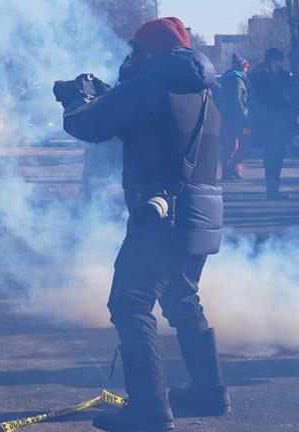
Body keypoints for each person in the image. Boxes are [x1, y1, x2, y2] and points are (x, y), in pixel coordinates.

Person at [55, 17, 229, 431]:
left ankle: (149, 409)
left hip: (162, 216)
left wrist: (74, 99)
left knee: (130, 304)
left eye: (134, 51)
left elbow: (90, 125)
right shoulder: (204, 92)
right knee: (183, 303)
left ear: (150, 51)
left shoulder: (150, 84)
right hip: (201, 216)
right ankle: (209, 392)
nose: (129, 58)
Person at [249, 48, 296, 199]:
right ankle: (272, 190)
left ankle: (272, 189)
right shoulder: (268, 76)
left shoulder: (258, 75)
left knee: (273, 156)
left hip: (270, 121)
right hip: (275, 122)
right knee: (274, 155)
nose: (279, 64)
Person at [217, 53, 250, 180]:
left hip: (226, 117)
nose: (247, 70)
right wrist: (245, 119)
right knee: (245, 144)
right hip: (237, 118)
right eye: (246, 68)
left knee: (230, 145)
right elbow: (238, 102)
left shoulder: (227, 78)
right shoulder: (237, 81)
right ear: (242, 68)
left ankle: (229, 171)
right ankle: (232, 169)